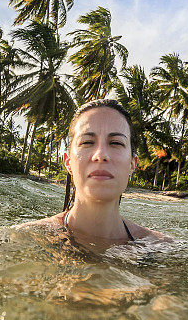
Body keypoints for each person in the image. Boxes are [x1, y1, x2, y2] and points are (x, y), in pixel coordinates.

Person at [23, 99, 169, 246]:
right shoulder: (26, 239)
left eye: (116, 143)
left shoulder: (160, 248)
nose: (101, 155)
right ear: (68, 162)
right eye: (87, 142)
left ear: (132, 164)